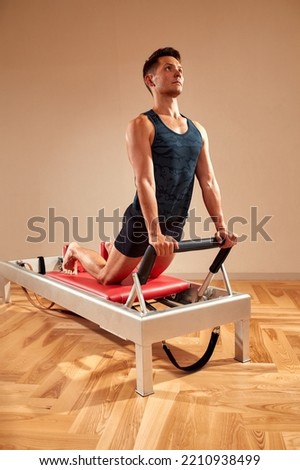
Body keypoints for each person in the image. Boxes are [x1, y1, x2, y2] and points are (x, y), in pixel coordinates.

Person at [63, 47, 237, 285]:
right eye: (168, 68)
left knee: (148, 276)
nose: (177, 73)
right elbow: (144, 180)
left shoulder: (198, 131)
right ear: (150, 79)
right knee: (108, 278)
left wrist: (221, 227)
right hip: (142, 222)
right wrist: (154, 233)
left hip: (175, 221)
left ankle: (113, 247)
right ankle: (75, 249)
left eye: (180, 69)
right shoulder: (142, 124)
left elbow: (208, 182)